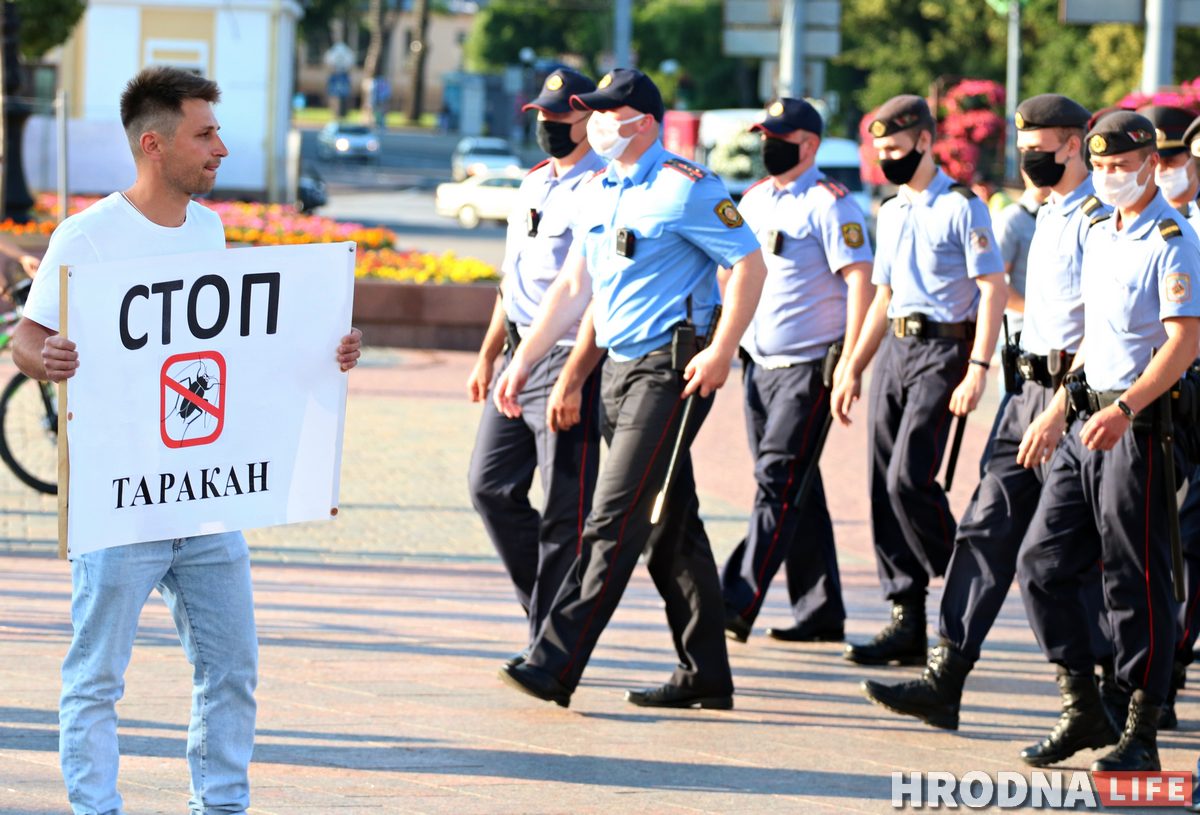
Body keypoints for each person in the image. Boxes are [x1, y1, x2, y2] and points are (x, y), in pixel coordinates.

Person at [12, 66, 363, 815]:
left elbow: (230, 348)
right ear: (153, 144)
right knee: (97, 676)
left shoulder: (210, 227)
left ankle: (222, 805)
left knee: (231, 666)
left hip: (205, 498)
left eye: (216, 131)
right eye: (204, 134)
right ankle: (96, 807)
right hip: (120, 499)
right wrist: (51, 358)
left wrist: (326, 349)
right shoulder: (89, 236)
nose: (220, 149)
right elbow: (25, 340)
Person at [492, 68, 767, 709]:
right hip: (618, 369)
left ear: (641, 119)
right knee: (670, 523)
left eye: (608, 112)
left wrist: (724, 349)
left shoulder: (688, 189)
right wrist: (528, 361)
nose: (596, 123)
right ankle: (706, 672)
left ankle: (554, 662)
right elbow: (575, 291)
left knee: (612, 520)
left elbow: (748, 263)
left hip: (671, 371)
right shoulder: (599, 191)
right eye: (593, 113)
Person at [860, 94, 1107, 730]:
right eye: (1022, 148)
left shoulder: (1099, 221)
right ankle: (947, 677)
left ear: (1074, 144)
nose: (1028, 159)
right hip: (1023, 394)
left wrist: (1060, 405)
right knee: (982, 529)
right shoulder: (1045, 213)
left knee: (1065, 557)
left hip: (1071, 403)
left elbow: (1103, 330)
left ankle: (1098, 696)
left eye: (1040, 148)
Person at [1015, 110, 1200, 771]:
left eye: (1122, 166)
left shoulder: (1172, 239)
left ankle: (1141, 727)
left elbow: (1183, 342)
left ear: (1151, 161)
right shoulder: (1102, 231)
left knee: (1136, 578)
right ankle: (1081, 702)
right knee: (1041, 561)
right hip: (1085, 421)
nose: (1110, 177)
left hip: (1138, 428)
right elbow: (1097, 335)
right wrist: (1059, 404)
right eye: (1100, 168)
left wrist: (1125, 406)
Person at [832, 94, 1007, 667]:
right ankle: (905, 615)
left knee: (911, 477)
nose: (888, 159)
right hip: (896, 352)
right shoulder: (890, 210)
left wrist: (979, 367)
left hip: (943, 349)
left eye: (897, 149)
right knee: (883, 483)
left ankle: (959, 577)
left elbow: (991, 290)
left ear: (925, 142)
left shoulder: (962, 207)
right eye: (880, 151)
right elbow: (882, 296)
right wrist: (852, 366)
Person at [720, 97, 873, 645]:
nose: (768, 144)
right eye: (764, 133)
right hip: (758, 362)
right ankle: (820, 611)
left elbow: (860, 282)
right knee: (796, 487)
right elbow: (734, 270)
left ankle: (733, 601)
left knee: (776, 481)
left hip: (808, 367)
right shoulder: (755, 198)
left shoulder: (832, 204)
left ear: (808, 144)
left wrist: (851, 363)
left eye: (778, 136)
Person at [466, 68, 605, 664]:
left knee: (565, 511)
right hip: (517, 356)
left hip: (569, 355)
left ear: (588, 121)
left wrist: (575, 373)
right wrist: (489, 353)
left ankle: (551, 647)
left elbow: (592, 290)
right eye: (543, 117)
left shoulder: (602, 189)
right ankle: (546, 614)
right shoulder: (531, 185)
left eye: (560, 118)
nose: (548, 126)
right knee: (489, 486)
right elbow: (511, 279)